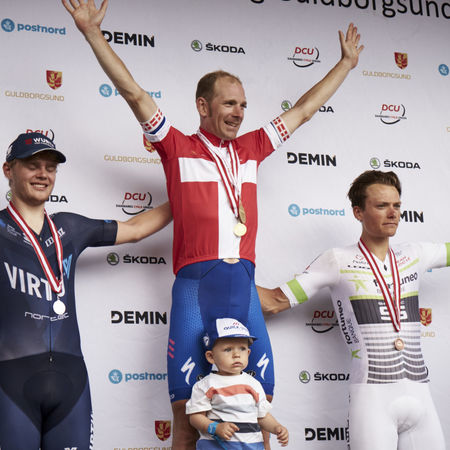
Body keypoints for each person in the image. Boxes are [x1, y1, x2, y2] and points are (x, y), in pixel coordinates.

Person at [62, 0, 364, 447]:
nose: (239, 112)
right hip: (195, 293)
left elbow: (303, 110)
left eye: (243, 105)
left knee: (259, 408)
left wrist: (345, 65)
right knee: (186, 414)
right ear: (203, 106)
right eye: (229, 103)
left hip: (242, 289)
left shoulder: (253, 147)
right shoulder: (175, 147)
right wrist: (92, 33)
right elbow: (135, 94)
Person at [0, 132, 172, 450]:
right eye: (33, 165)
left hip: (71, 383)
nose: (43, 174)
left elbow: (135, 229)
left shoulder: (69, 227)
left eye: (50, 167)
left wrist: (187, 196)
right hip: (10, 381)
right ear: (8, 170)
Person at [258, 170, 447, 450]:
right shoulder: (337, 260)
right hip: (374, 400)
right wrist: (225, 273)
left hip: (421, 395)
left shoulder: (415, 254)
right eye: (381, 205)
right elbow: (274, 301)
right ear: (358, 212)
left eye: (397, 205)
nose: (393, 213)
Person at [186, 317, 289, 449]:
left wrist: (276, 427)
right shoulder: (205, 385)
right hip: (217, 446)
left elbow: (262, 416)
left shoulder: (254, 384)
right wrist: (215, 428)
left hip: (252, 446)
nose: (236, 354)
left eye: (242, 348)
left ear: (248, 353)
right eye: (228, 349)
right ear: (211, 357)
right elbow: (195, 417)